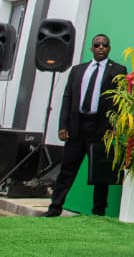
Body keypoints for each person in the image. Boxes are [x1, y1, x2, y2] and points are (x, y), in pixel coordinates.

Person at [43, 35, 126, 217]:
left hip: (101, 128)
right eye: (97, 45)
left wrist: (116, 125)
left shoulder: (118, 70)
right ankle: (54, 208)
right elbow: (68, 98)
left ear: (109, 48)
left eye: (104, 45)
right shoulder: (78, 70)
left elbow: (120, 101)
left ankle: (98, 212)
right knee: (67, 170)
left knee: (99, 173)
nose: (100, 48)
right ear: (91, 48)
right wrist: (62, 125)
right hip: (77, 126)